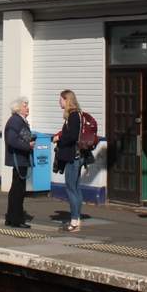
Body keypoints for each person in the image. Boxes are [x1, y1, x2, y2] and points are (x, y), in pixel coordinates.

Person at [53, 89, 83, 232]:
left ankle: (74, 221)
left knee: (71, 188)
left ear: (67, 100)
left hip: (73, 157)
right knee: (76, 188)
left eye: (61, 99)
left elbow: (71, 137)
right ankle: (76, 219)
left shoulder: (73, 116)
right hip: (76, 156)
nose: (59, 102)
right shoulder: (76, 115)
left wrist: (59, 138)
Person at [3, 96, 35, 228]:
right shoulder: (15, 121)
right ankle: (16, 220)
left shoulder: (20, 121)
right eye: (25, 105)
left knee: (17, 189)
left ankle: (12, 218)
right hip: (18, 159)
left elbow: (22, 137)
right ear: (18, 108)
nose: (27, 108)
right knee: (18, 190)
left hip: (22, 159)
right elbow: (12, 140)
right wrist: (28, 146)